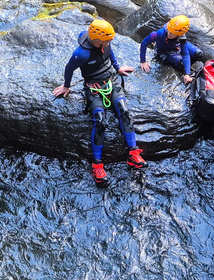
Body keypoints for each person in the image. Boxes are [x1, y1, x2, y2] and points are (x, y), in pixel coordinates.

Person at [53, 19, 147, 188]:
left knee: (123, 110)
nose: (110, 42)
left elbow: (110, 54)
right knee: (100, 119)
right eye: (107, 40)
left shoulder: (104, 43)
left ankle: (133, 153)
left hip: (112, 82)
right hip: (93, 88)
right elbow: (69, 68)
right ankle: (97, 165)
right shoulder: (81, 53)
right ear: (96, 40)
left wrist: (117, 68)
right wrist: (66, 86)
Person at [139, 15, 204, 85]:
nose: (169, 34)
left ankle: (188, 60)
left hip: (177, 45)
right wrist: (143, 61)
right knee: (181, 64)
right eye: (169, 31)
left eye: (173, 33)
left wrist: (187, 74)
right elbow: (144, 43)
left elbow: (185, 54)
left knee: (199, 53)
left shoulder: (181, 37)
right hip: (165, 51)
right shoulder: (159, 33)